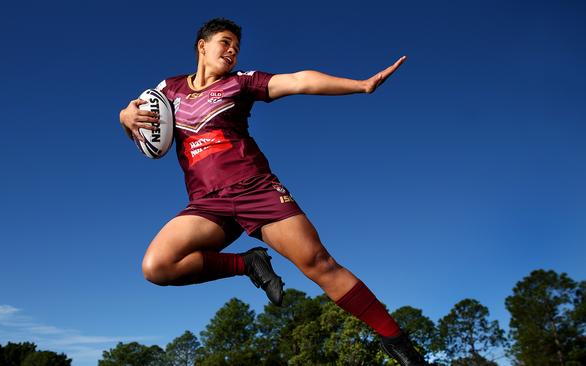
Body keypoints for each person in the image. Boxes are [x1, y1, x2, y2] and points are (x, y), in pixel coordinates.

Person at [119, 18, 428, 365]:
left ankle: (400, 345)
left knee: (318, 263)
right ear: (202, 46)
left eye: (236, 46)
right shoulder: (168, 89)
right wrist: (124, 117)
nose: (233, 50)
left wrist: (361, 85)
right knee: (157, 266)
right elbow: (135, 110)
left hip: (256, 189)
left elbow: (299, 80)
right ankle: (248, 263)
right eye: (225, 42)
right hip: (208, 203)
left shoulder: (242, 83)